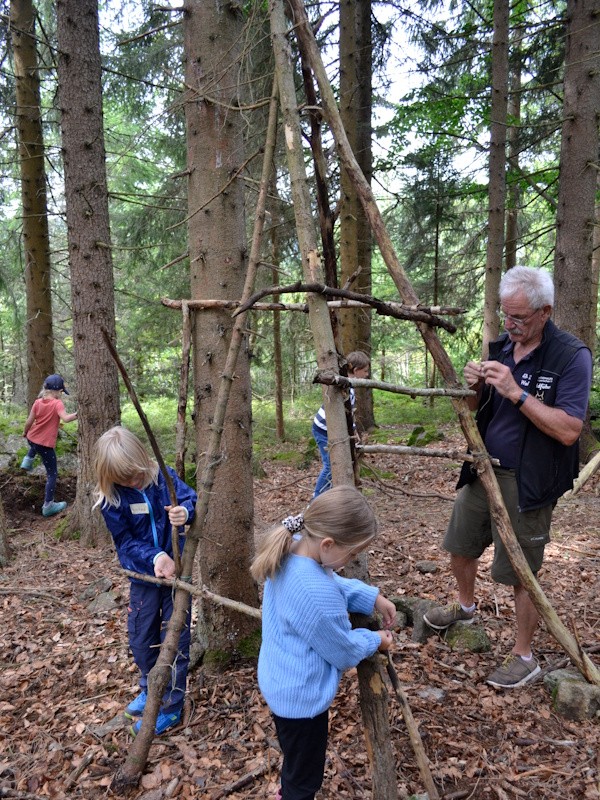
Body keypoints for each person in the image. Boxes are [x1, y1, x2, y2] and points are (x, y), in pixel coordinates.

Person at [424, 266, 592, 689]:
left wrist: (517, 392)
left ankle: (524, 655)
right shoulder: (499, 346)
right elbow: (480, 407)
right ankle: (464, 607)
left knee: (521, 571)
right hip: (483, 469)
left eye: (518, 317)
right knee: (460, 546)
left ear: (544, 312)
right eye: (505, 315)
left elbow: (570, 428)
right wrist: (474, 386)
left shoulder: (570, 356)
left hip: (531, 479)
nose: (509, 325)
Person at [251, 485, 395, 800]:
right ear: (328, 544)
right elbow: (343, 651)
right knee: (306, 776)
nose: (352, 559)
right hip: (302, 700)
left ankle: (289, 786)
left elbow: (333, 580)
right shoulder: (316, 595)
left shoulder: (296, 549)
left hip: (282, 681)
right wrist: (375, 640)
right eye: (353, 553)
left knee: (296, 757)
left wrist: (372, 597)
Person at [93, 426, 197, 736]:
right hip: (143, 577)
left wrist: (184, 513)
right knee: (140, 637)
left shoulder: (162, 477)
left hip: (177, 577)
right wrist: (154, 557)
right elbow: (124, 543)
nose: (132, 482)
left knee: (175, 639)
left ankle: (171, 706)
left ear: (143, 460)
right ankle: (149, 686)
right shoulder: (111, 499)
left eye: (135, 475)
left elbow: (191, 499)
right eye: (123, 479)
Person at [312, 350, 370, 497]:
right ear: (356, 370)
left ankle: (333, 495)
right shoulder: (344, 385)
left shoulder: (349, 386)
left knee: (342, 463)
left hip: (332, 429)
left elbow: (348, 413)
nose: (367, 375)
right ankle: (316, 499)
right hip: (323, 429)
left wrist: (354, 431)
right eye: (365, 371)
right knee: (331, 466)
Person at [21, 374, 78, 517]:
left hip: (32, 437)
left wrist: (25, 432)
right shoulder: (57, 403)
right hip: (45, 445)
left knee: (33, 443)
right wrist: (79, 413)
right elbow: (66, 418)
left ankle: (27, 460)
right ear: (58, 391)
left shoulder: (38, 402)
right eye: (61, 392)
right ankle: (48, 505)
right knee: (52, 473)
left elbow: (29, 421)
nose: (62, 395)